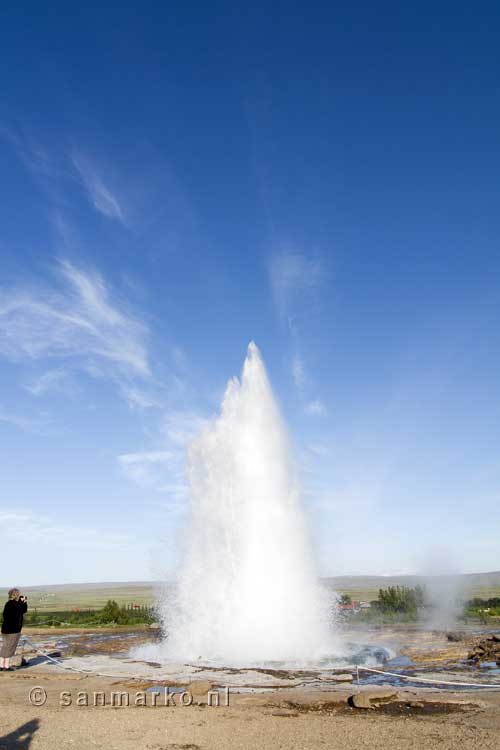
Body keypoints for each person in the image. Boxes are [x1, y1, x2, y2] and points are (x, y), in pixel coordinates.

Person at [1, 588, 28, 671]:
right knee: (10, 648)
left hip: (5, 629)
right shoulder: (16, 604)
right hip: (13, 630)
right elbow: (23, 610)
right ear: (16, 595)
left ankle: (1, 665)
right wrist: (24, 602)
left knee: (5, 647)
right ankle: (6, 666)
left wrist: (21, 602)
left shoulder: (8, 604)